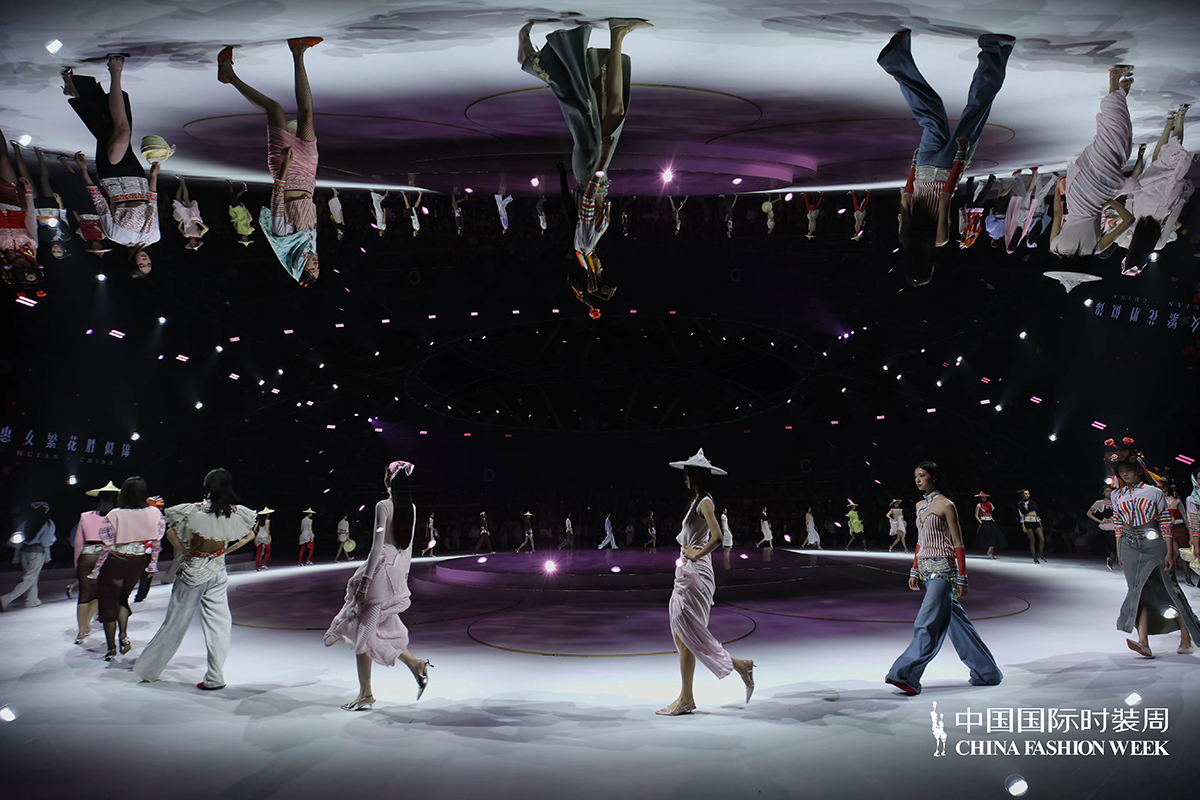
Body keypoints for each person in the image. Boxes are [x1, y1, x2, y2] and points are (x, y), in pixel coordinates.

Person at [519, 19, 650, 302]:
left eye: (602, 271)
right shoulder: (586, 250)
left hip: (591, 170)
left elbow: (588, 200)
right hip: (593, 171)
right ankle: (617, 35)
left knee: (586, 106)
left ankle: (537, 61)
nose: (603, 266)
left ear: (595, 275)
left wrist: (603, 162)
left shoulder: (586, 246)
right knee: (611, 109)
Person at [877, 29, 1015, 286]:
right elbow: (906, 197)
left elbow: (945, 197)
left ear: (928, 264)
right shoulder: (905, 236)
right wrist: (914, 167)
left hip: (946, 168)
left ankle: (994, 49)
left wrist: (960, 160)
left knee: (976, 110)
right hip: (923, 168)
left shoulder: (938, 240)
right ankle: (895, 61)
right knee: (931, 113)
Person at [885, 461, 1003, 695]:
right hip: (926, 569)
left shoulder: (947, 505)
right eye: (915, 476)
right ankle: (987, 672)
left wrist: (962, 577)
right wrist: (914, 569)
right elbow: (920, 541)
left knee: (926, 621)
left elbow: (958, 543)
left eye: (922, 475)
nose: (918, 480)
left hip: (943, 570)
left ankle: (906, 674)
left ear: (934, 478)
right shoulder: (919, 506)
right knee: (959, 625)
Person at [135, 468, 257, 689]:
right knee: (220, 624)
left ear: (207, 487)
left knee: (175, 623)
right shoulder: (235, 512)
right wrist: (226, 551)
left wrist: (183, 550)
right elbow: (250, 535)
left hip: (194, 568)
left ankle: (149, 670)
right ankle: (215, 677)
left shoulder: (194, 509)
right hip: (218, 568)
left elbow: (169, 532)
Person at [324, 460, 432, 709]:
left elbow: (376, 548)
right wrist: (402, 578)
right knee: (374, 629)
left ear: (389, 480)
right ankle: (415, 665)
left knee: (363, 633)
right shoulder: (411, 508)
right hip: (395, 576)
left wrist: (365, 584)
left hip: (379, 577)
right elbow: (407, 547)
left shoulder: (383, 506)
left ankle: (366, 694)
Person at [657, 449, 755, 715]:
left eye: (687, 474)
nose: (685, 478)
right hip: (687, 572)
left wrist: (696, 554)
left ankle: (687, 698)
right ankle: (738, 668)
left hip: (696, 574)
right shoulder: (697, 502)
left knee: (686, 633)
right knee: (683, 635)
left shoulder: (705, 502)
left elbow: (718, 537)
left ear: (695, 475)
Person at [218, 38, 322, 285]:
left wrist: (284, 166)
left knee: (273, 108)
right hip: (308, 176)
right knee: (306, 115)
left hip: (286, 170)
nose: (317, 263)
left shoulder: (283, 237)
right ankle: (298, 51)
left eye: (313, 268)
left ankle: (228, 73)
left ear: (299, 265)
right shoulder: (310, 243)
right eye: (319, 267)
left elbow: (276, 199)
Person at [61, 56, 160, 275]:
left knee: (122, 130)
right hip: (138, 178)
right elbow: (152, 206)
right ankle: (76, 88)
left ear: (131, 261)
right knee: (108, 127)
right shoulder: (154, 237)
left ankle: (115, 70)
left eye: (141, 265)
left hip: (113, 178)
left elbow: (101, 205)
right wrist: (153, 176)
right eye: (148, 265)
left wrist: (84, 171)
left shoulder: (116, 236)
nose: (145, 261)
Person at [1105, 438, 1200, 658]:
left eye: (1129, 470)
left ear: (1139, 470)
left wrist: (1169, 551)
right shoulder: (1116, 494)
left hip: (1153, 542)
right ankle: (1143, 642)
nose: (1125, 474)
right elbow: (1118, 524)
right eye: (1122, 471)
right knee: (1137, 591)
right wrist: (1119, 551)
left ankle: (1186, 637)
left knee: (1170, 589)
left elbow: (1165, 523)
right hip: (1128, 544)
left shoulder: (1153, 492)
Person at [1048, 66, 1136, 261]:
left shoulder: (1095, 250)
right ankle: (1119, 93)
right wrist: (1057, 190)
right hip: (1076, 192)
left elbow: (1129, 220)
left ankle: (1115, 84)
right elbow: (1057, 214)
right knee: (1112, 142)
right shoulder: (1055, 247)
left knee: (1118, 144)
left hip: (1099, 195)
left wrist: (1111, 203)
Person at [87, 477, 164, 661]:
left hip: (116, 558)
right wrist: (152, 565)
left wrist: (96, 570)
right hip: (139, 559)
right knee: (123, 598)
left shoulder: (115, 514)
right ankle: (123, 635)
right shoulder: (155, 512)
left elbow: (106, 545)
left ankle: (111, 648)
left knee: (108, 602)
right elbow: (156, 542)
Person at [1118, 105, 1193, 275]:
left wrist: (1182, 197)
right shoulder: (1122, 242)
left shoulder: (1158, 245)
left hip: (1163, 199)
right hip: (1143, 197)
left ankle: (1180, 117)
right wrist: (1130, 196)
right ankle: (1170, 124)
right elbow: (1127, 218)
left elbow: (1171, 219)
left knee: (1173, 160)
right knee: (1157, 161)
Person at [72, 481, 120, 644]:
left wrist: (77, 565)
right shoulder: (117, 517)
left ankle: (81, 630)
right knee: (99, 593)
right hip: (107, 555)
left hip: (87, 555)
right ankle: (86, 625)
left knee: (84, 594)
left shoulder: (85, 516)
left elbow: (78, 542)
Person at [1, 502, 56, 611]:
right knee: (30, 578)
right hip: (37, 553)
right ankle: (6, 599)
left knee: (31, 578)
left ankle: (31, 600)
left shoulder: (26, 523)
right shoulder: (48, 523)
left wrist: (16, 557)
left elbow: (18, 540)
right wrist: (47, 557)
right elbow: (47, 541)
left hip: (24, 553)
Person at [172, 175, 208, 249]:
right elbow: (206, 228)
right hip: (192, 216)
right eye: (194, 243)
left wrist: (182, 222)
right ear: (197, 241)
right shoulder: (199, 235)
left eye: (191, 243)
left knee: (177, 198)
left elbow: (179, 228)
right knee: (185, 198)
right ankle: (182, 181)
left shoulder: (186, 235)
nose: (192, 242)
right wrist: (198, 222)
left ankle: (181, 183)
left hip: (185, 218)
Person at [1087, 486, 1117, 570]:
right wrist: (1100, 521)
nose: (1109, 493)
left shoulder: (1116, 502)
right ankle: (1110, 558)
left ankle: (1112, 558)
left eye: (1110, 491)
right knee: (1110, 544)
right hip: (1107, 527)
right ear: (1103, 493)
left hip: (1117, 525)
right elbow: (1089, 513)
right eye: (1107, 491)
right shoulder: (1100, 503)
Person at [973, 492, 1007, 559]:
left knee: (995, 536)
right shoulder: (979, 505)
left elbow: (990, 513)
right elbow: (976, 515)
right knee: (990, 536)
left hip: (990, 521)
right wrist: (981, 522)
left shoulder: (989, 504)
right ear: (980, 498)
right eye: (983, 497)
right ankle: (990, 552)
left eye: (985, 497)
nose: (984, 498)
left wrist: (993, 520)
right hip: (984, 521)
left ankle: (990, 551)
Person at [1017, 489, 1046, 563]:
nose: (1027, 495)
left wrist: (1040, 523)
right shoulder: (1020, 504)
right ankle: (1035, 558)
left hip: (1035, 521)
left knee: (1042, 539)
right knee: (1032, 541)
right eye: (1026, 494)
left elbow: (1037, 513)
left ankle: (1040, 554)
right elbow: (1022, 516)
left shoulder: (1032, 502)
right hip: (1028, 522)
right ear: (1022, 495)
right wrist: (1023, 526)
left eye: (1028, 494)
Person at [226, 180, 255, 246]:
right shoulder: (249, 231)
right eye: (243, 239)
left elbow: (234, 225)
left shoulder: (240, 232)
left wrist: (235, 220)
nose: (242, 238)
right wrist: (247, 212)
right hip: (242, 214)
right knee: (234, 199)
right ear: (246, 239)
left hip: (237, 215)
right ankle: (233, 185)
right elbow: (248, 221)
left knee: (233, 198)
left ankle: (234, 185)